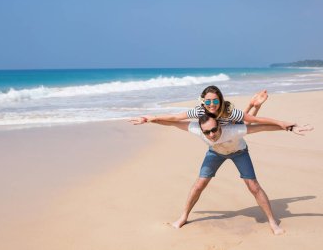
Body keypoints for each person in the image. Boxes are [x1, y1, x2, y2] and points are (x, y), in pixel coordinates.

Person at [151, 115, 313, 235]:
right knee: (199, 184)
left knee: (253, 186)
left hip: (239, 152)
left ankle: (272, 222)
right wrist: (150, 119)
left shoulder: (234, 130)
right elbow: (172, 122)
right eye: (207, 132)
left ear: (220, 126)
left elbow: (262, 127)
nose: (212, 134)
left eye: (214, 130)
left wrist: (289, 127)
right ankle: (183, 217)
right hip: (215, 153)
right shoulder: (196, 129)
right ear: (201, 130)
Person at [129, 86, 293, 130]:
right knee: (244, 122)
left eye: (215, 101)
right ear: (203, 103)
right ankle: (252, 104)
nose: (211, 105)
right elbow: (175, 118)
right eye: (208, 102)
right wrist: (147, 118)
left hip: (228, 124)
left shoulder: (228, 112)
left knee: (245, 124)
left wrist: (282, 123)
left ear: (220, 101)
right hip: (223, 125)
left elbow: (256, 120)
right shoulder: (199, 111)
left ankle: (253, 104)